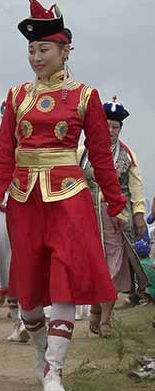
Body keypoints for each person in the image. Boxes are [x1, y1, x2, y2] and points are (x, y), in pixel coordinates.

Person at [0, 0, 124, 391]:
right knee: (27, 290)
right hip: (24, 200)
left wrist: (116, 204)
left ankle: (54, 369)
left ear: (64, 51)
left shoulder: (84, 96)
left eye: (44, 49)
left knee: (62, 280)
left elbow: (100, 157)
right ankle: (42, 354)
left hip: (68, 199)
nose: (36, 57)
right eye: (30, 50)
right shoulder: (17, 96)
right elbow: (5, 153)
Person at [81, 98, 149, 336]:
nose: (110, 131)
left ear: (120, 128)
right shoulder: (83, 153)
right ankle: (95, 311)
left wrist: (139, 214)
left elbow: (136, 186)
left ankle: (105, 320)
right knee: (92, 268)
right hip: (87, 221)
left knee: (111, 269)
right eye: (106, 125)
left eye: (115, 127)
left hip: (115, 222)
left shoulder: (127, 155)